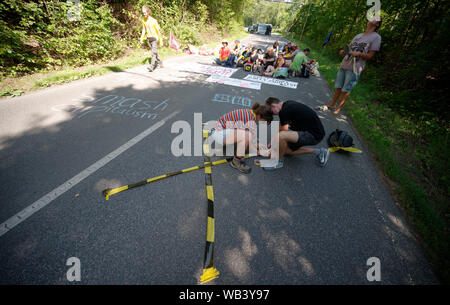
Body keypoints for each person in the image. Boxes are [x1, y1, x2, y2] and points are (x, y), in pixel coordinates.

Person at [323, 17, 382, 115]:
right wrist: (343, 51)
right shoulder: (358, 35)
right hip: (344, 64)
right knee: (338, 86)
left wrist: (359, 54)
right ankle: (332, 104)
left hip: (355, 67)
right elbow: (349, 48)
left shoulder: (376, 37)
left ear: (377, 24)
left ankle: (338, 108)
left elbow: (370, 56)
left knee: (346, 89)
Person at [263, 97, 329, 170]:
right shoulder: (287, 104)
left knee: (281, 137)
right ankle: (319, 152)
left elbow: (282, 133)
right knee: (286, 151)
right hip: (310, 131)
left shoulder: (284, 111)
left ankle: (277, 162)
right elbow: (281, 125)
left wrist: (274, 152)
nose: (273, 114)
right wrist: (271, 142)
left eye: (272, 112)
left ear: (273, 106)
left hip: (313, 135)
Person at [209, 103, 273, 174]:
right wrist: (260, 152)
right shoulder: (249, 119)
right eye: (264, 122)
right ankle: (236, 162)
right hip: (218, 133)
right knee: (246, 136)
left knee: (247, 135)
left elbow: (252, 139)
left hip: (221, 131)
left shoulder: (251, 114)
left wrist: (259, 145)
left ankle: (238, 153)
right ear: (260, 116)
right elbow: (250, 143)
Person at [140, 5, 163, 72]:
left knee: (153, 53)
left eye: (145, 13)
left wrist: (160, 39)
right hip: (149, 39)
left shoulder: (154, 20)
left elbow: (158, 30)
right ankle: (160, 62)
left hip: (154, 38)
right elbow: (144, 30)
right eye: (143, 13)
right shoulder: (144, 20)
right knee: (155, 52)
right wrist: (141, 38)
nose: (144, 14)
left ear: (148, 12)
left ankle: (151, 66)